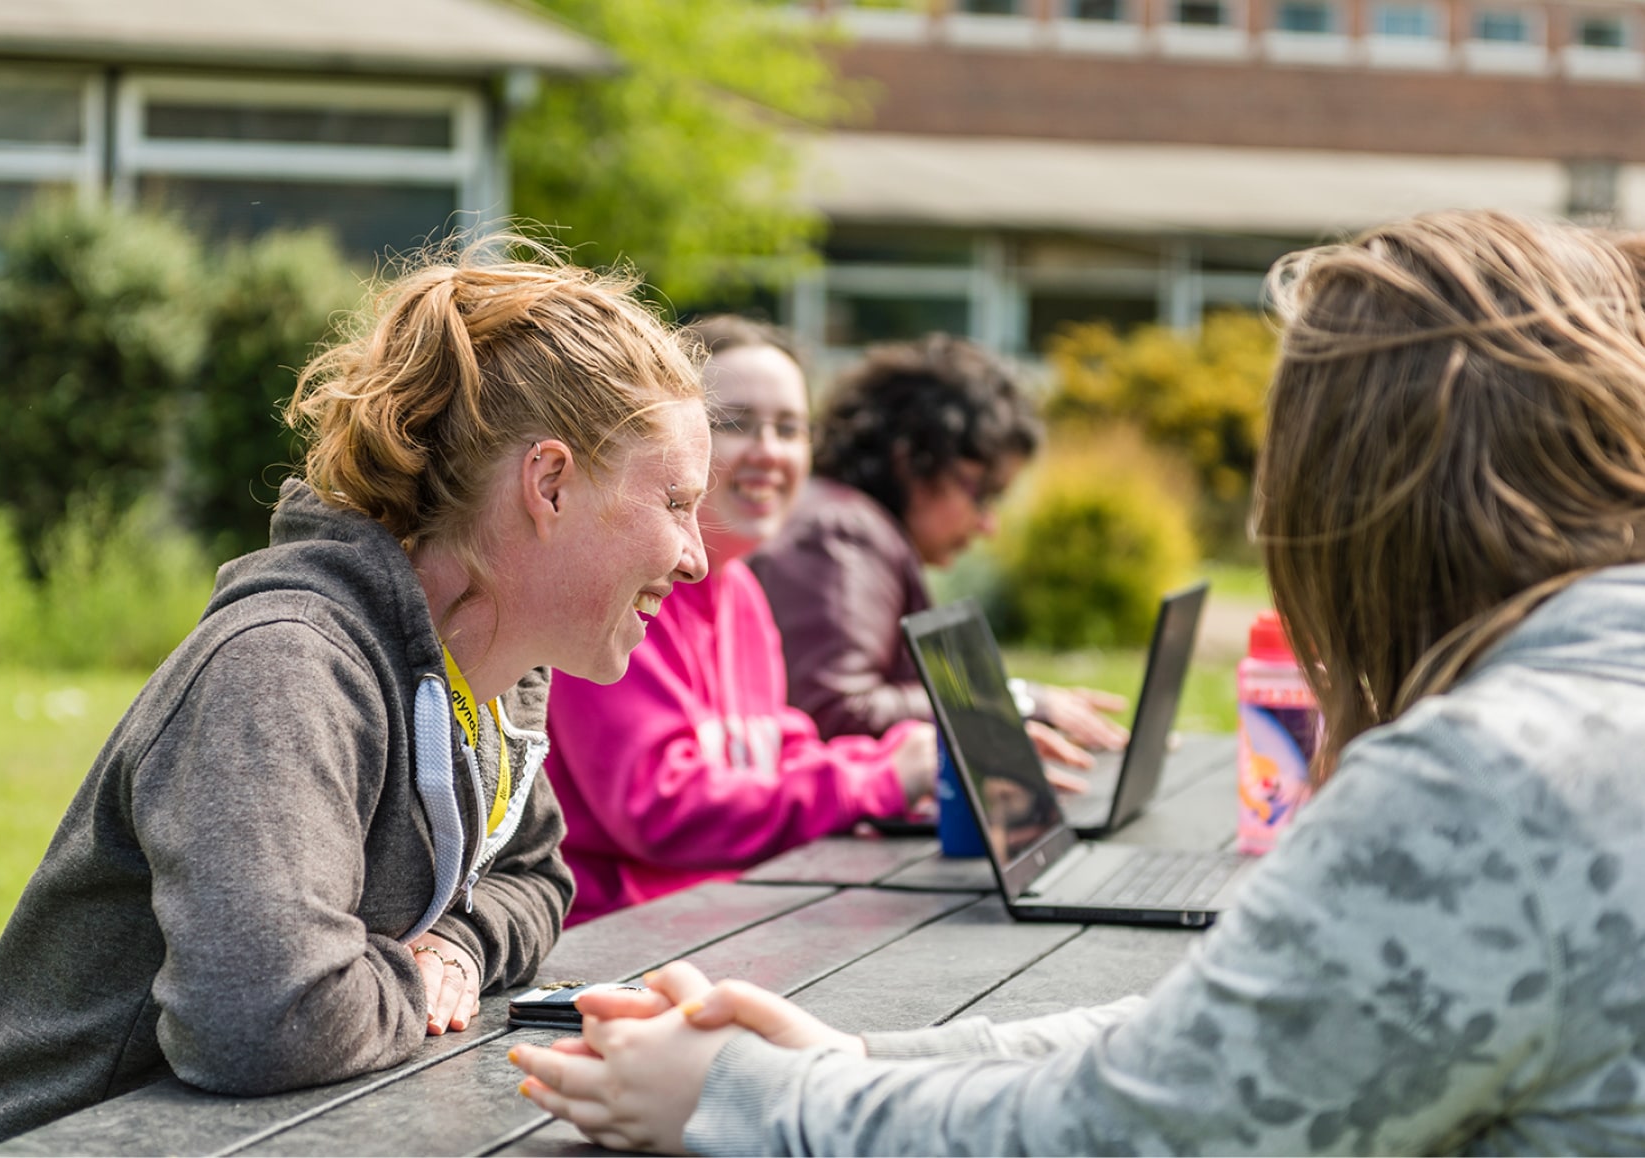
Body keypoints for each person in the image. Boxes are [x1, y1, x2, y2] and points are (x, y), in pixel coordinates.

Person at [510, 211, 1645, 1154]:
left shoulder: (1486, 783)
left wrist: (750, 1100)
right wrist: (859, 1060)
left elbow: (1134, 1126)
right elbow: (1215, 1046)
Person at [0, 239, 713, 1154]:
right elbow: (264, 1014)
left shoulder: (493, 676)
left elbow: (536, 875)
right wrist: (410, 984)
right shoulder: (284, 668)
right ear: (548, 484)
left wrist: (459, 945)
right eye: (675, 503)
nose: (697, 554)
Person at [542, 316, 941, 925]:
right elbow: (661, 807)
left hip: (725, 916)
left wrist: (905, 759)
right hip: (618, 942)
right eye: (735, 424)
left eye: (790, 429)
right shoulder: (626, 590)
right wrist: (881, 781)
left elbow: (773, 748)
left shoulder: (743, 591)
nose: (769, 452)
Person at [748, 334, 1127, 754]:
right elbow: (838, 712)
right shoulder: (841, 532)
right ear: (912, 460)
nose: (988, 525)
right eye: (982, 493)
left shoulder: (848, 522)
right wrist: (1008, 704)